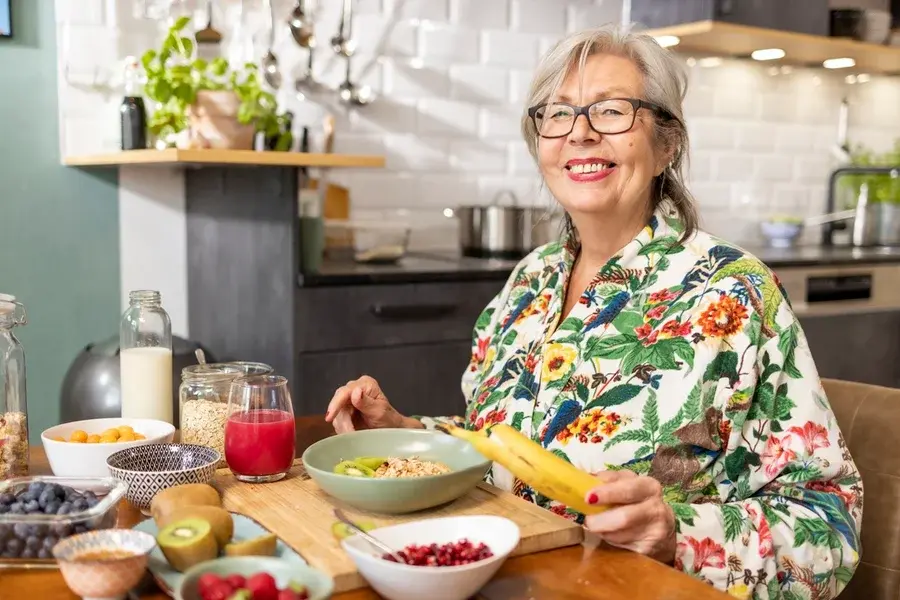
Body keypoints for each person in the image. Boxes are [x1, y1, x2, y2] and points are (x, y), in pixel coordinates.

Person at [325, 24, 862, 600]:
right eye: (558, 114)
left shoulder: (735, 292)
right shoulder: (529, 280)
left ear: (666, 144)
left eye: (611, 111)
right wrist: (407, 432)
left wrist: (677, 534)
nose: (579, 134)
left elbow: (831, 524)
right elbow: (499, 450)